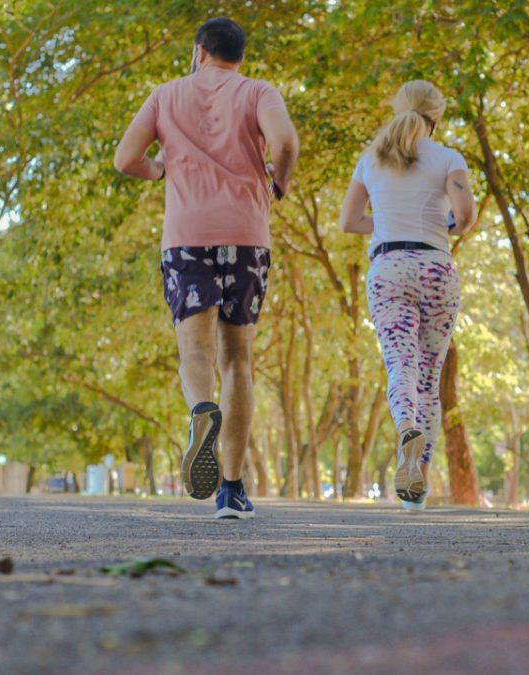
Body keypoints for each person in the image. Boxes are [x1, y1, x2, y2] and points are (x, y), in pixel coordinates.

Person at [114, 17, 299, 519]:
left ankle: (201, 410)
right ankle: (232, 491)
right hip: (246, 238)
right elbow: (285, 143)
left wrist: (157, 169)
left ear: (199, 51)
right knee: (237, 358)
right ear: (239, 56)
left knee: (194, 351)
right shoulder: (259, 91)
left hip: (187, 239)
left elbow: (126, 157)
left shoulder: (165, 94)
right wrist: (277, 185)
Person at [338, 80, 476, 511]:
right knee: (429, 378)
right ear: (437, 116)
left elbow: (349, 220)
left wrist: (386, 226)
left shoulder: (370, 159)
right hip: (436, 267)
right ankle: (416, 492)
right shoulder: (450, 158)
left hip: (388, 268)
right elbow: (466, 216)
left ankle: (406, 431)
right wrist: (447, 227)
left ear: (398, 109)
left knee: (400, 365)